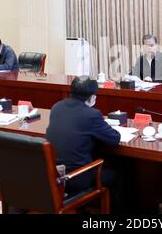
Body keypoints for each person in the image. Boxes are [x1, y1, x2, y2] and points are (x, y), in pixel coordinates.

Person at [46, 77, 123, 211]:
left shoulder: (56, 107)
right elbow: (114, 139)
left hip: (54, 174)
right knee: (118, 174)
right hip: (75, 178)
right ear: (92, 98)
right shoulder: (91, 114)